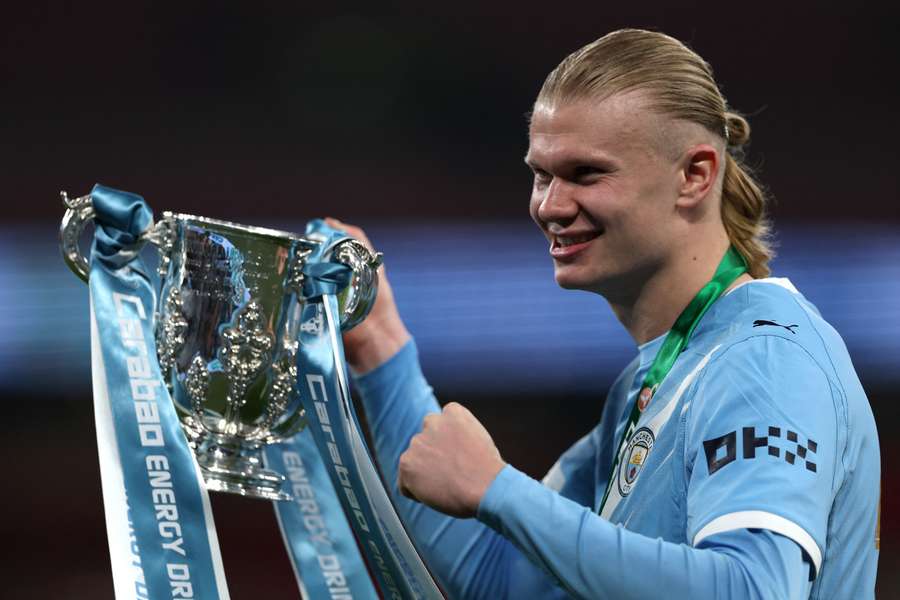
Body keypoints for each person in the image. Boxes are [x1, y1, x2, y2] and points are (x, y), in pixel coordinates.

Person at [328, 28, 880, 599]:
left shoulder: (764, 358)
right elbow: (500, 581)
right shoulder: (657, 378)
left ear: (695, 176)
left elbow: (751, 589)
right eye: (541, 174)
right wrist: (379, 343)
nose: (549, 206)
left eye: (586, 174)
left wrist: (498, 489)